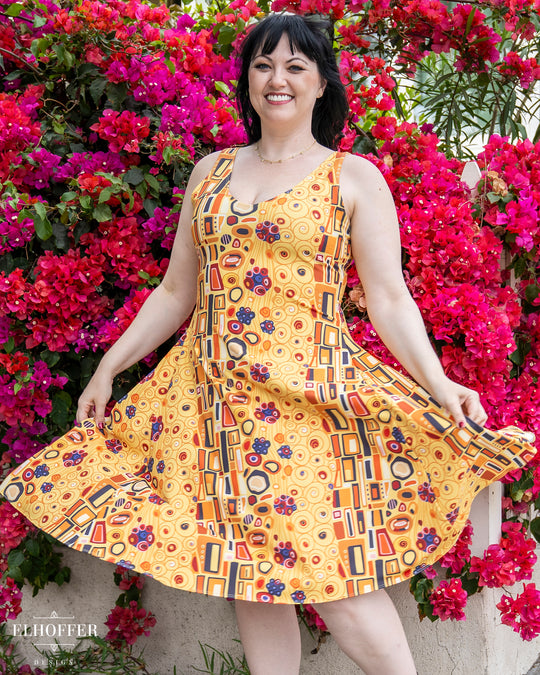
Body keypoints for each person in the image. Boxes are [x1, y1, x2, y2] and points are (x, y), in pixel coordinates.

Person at [0, 13, 535, 675]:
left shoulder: (353, 177)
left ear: (321, 83)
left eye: (295, 66)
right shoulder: (211, 172)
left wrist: (440, 382)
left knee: (336, 578)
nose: (277, 79)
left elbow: (391, 299)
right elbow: (175, 291)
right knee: (249, 573)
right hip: (215, 408)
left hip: (307, 401)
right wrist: (109, 367)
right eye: (262, 65)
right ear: (248, 80)